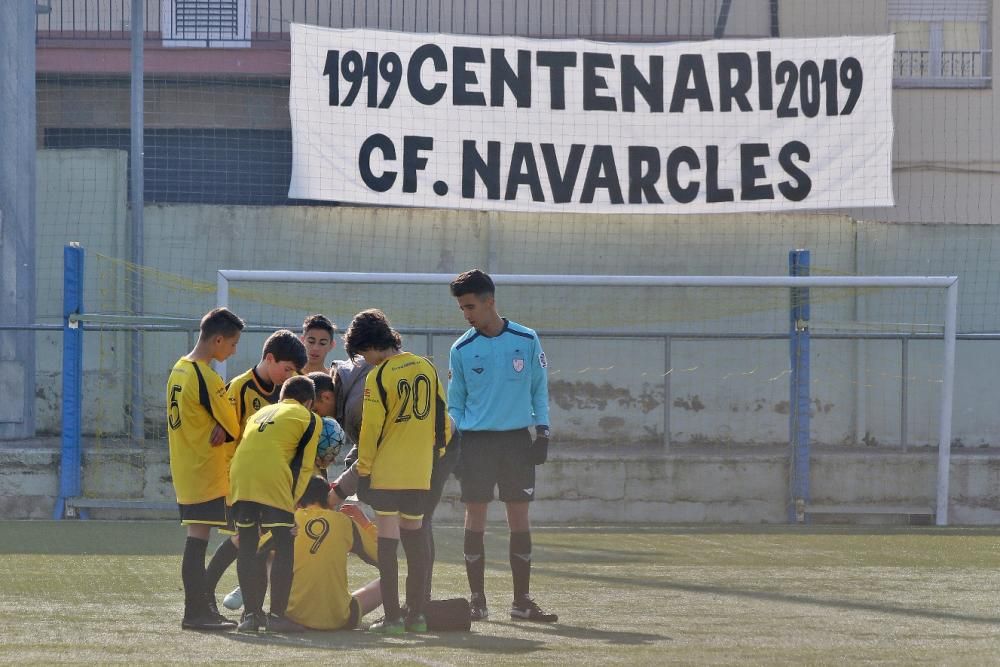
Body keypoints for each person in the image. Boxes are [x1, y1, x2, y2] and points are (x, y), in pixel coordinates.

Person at [448, 269, 557, 623]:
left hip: (515, 442)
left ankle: (521, 602)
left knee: (519, 518)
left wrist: (543, 431)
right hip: (476, 444)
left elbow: (539, 389)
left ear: (489, 302)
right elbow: (455, 403)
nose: (466, 314)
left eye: (470, 306)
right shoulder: (461, 348)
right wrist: (454, 443)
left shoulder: (526, 339)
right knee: (475, 516)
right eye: (462, 308)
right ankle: (477, 600)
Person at [347, 309, 450, 634]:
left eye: (363, 353)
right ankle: (416, 616)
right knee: (416, 540)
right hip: (420, 473)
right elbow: (442, 420)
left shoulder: (378, 376)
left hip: (387, 473)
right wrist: (436, 454)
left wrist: (363, 471)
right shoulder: (427, 366)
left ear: (372, 345)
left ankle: (391, 619)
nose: (365, 360)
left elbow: (370, 429)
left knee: (388, 543)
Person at [202, 329, 307, 615]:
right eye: (287, 369)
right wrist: (228, 482)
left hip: (270, 481)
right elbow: (226, 440)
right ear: (270, 359)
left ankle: (252, 606)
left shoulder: (286, 395)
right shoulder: (239, 388)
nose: (289, 376)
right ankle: (208, 590)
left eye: (294, 372)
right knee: (246, 540)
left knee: (259, 542)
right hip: (242, 481)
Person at [165, 307, 244, 631]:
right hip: (204, 470)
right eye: (233, 343)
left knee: (197, 540)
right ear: (218, 339)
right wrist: (223, 427)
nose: (234, 350)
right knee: (198, 542)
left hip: (185, 467)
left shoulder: (178, 370)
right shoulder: (206, 377)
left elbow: (218, 423)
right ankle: (196, 613)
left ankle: (199, 610)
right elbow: (233, 426)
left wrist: (220, 427)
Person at [229, 375, 321, 633]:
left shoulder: (262, 413)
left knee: (247, 546)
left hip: (239, 479)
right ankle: (277, 616)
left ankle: (250, 616)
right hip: (273, 480)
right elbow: (304, 467)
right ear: (309, 402)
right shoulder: (310, 418)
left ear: (282, 397)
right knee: (283, 545)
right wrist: (290, 506)